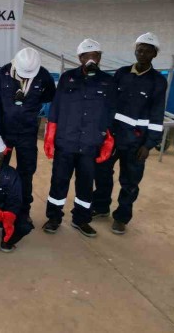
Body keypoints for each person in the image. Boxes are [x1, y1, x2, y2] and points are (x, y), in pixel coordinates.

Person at [93, 33, 167, 235]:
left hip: (136, 142)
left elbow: (157, 114)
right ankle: (101, 207)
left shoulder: (158, 81)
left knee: (130, 181)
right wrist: (103, 132)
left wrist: (149, 144)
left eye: (147, 51)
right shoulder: (122, 73)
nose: (142, 54)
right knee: (102, 172)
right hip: (113, 136)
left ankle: (121, 217)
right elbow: (109, 103)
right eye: (139, 50)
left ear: (154, 54)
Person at [43, 39, 116, 237]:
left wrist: (108, 140)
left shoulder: (107, 82)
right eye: (87, 56)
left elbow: (111, 113)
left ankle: (81, 219)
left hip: (90, 144)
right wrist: (50, 136)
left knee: (85, 184)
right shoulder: (67, 78)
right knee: (59, 181)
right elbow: (55, 109)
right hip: (66, 142)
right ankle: (54, 217)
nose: (91, 59)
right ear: (80, 58)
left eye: (95, 55)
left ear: (99, 58)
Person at [0, 47, 56, 223]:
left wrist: (33, 110)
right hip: (4, 133)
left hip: (28, 132)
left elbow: (50, 96)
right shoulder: (3, 74)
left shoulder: (43, 75)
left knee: (26, 173)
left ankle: (23, 210)